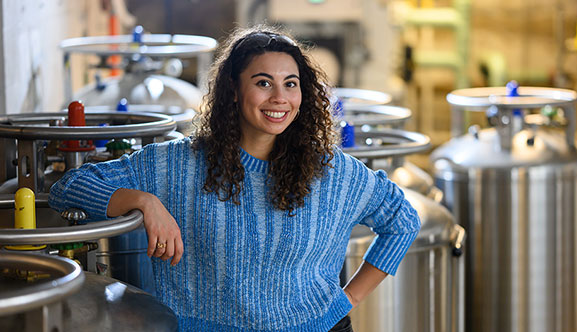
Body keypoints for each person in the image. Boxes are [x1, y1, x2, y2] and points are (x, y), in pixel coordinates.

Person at [49, 26, 421, 332]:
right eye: (263, 83)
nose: (280, 97)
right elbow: (66, 188)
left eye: (291, 84)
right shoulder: (178, 164)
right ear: (233, 90)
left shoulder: (332, 171)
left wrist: (348, 298)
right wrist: (143, 201)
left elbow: (403, 221)